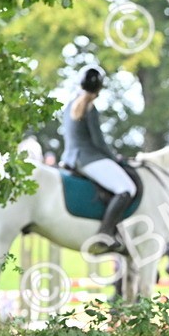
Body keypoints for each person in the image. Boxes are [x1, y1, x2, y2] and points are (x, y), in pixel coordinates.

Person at [60, 65, 136, 252]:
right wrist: (116, 159)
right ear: (99, 89)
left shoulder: (70, 104)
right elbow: (99, 143)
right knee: (127, 189)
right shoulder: (89, 108)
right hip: (88, 158)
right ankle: (105, 233)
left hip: (70, 157)